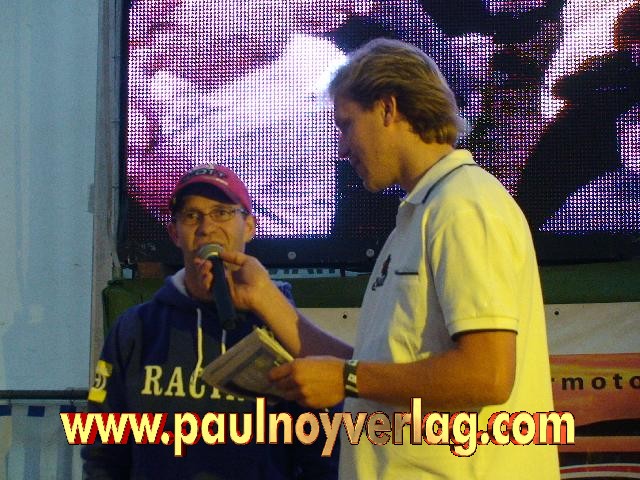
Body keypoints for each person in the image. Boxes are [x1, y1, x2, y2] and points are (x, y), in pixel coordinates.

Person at [203, 39, 560, 479]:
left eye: (347, 124)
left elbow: (487, 375)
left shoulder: (463, 205)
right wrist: (264, 298)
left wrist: (347, 379)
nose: (341, 147)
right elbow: (382, 371)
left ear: (388, 108)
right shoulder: (419, 216)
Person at [82, 164, 339, 479]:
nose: (206, 227)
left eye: (221, 213)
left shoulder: (286, 330)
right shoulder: (135, 328)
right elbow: (103, 449)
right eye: (192, 216)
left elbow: (323, 451)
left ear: (250, 226)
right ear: (174, 233)